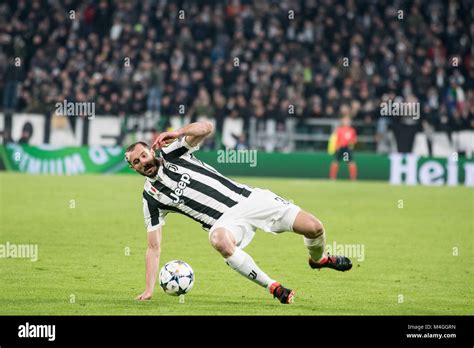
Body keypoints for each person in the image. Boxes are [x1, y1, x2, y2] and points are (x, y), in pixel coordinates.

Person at [125, 121, 352, 304]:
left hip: (250, 199)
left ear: (150, 150)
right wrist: (148, 289)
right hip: (224, 222)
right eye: (136, 162)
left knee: (314, 227)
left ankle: (319, 259)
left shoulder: (173, 153)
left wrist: (177, 132)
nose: (142, 162)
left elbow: (207, 128)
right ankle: (273, 287)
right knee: (218, 240)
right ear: (133, 168)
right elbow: (153, 247)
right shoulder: (151, 198)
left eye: (143, 155)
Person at [329, 109, 358, 180]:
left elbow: (354, 140)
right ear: (342, 121)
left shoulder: (352, 130)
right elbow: (335, 139)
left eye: (348, 120)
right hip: (339, 148)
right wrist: (335, 147)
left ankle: (353, 177)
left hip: (347, 149)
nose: (347, 122)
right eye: (345, 120)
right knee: (336, 162)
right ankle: (332, 177)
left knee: (350, 162)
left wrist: (351, 145)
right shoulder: (339, 130)